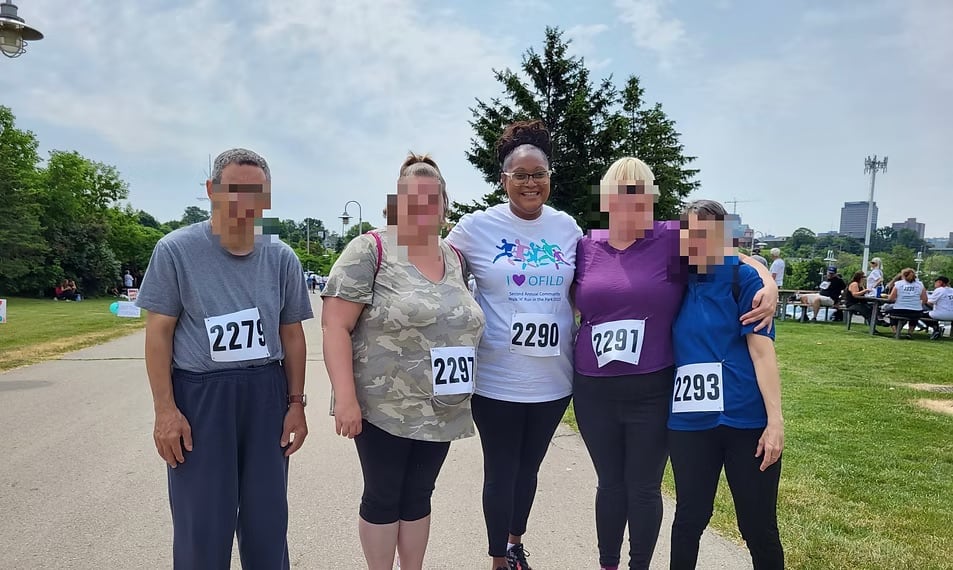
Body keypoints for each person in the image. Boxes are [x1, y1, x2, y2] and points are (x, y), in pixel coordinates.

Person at [572, 158, 777, 570]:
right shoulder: (585, 244)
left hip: (654, 388)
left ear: (652, 198)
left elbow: (728, 252)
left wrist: (767, 281)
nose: (632, 203)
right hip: (597, 388)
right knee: (616, 488)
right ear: (606, 198)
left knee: (646, 488)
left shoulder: (667, 237)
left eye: (641, 194)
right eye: (622, 193)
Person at [135, 148, 313, 569]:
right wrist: (165, 410)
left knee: (267, 522)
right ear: (212, 191)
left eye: (255, 192)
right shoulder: (176, 250)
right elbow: (158, 333)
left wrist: (295, 405)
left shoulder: (281, 256)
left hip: (264, 394)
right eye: (233, 190)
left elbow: (292, 336)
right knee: (202, 525)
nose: (244, 202)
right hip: (201, 398)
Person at [321, 153, 485, 570]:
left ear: (445, 205)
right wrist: (345, 398)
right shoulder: (370, 249)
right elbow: (335, 326)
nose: (423, 207)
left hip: (441, 404)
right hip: (383, 405)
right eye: (412, 198)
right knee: (383, 494)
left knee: (419, 494)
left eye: (433, 199)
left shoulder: (455, 259)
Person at [445, 120, 581, 570]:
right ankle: (496, 558)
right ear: (503, 180)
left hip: (553, 378)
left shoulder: (567, 228)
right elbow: (430, 261)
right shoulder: (476, 227)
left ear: (549, 177)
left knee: (529, 469)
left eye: (538, 173)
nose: (530, 182)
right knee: (501, 469)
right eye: (519, 175)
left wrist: (756, 268)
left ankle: (514, 541)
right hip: (496, 377)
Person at [668, 199, 784, 570]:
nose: (699, 241)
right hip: (690, 425)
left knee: (757, 527)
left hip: (745, 422)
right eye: (691, 232)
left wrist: (775, 423)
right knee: (688, 520)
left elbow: (763, 354)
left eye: (709, 233)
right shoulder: (675, 279)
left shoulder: (743, 279)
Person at [885, 268, 929, 338]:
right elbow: (925, 299)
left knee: (890, 313)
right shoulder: (920, 285)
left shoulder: (898, 284)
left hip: (899, 310)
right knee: (915, 317)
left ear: (903, 276)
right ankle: (910, 333)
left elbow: (891, 298)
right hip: (915, 311)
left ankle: (895, 332)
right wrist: (918, 304)